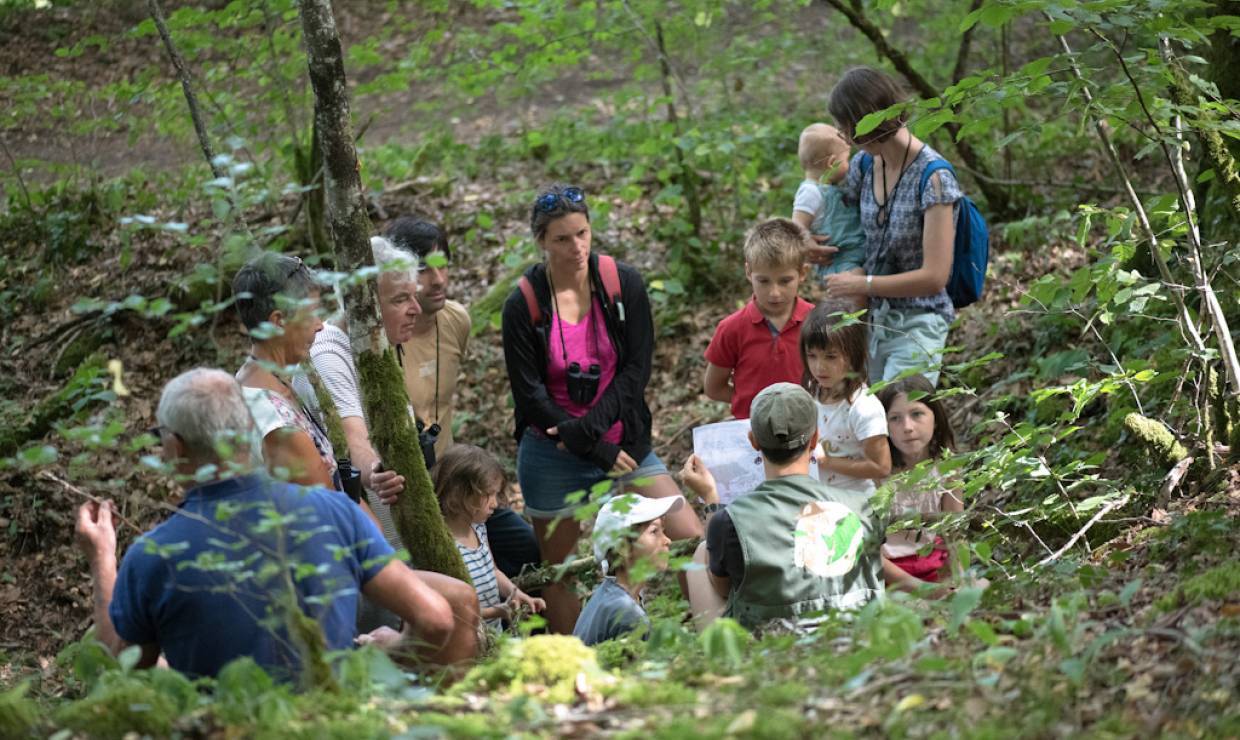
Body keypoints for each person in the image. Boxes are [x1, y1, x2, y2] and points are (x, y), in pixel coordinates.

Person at [73, 368, 478, 680]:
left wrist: (103, 560)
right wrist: (390, 651)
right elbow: (436, 618)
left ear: (175, 447)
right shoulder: (334, 511)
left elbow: (123, 669)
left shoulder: (154, 555)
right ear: (249, 429)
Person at [501, 184, 701, 633]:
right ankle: (577, 662)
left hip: (621, 442)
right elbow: (529, 396)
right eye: (562, 239)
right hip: (552, 453)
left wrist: (595, 437)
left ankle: (712, 634)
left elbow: (636, 367)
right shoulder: (523, 303)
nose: (577, 247)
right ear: (541, 242)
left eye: (583, 233)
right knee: (561, 573)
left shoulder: (620, 282)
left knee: (690, 539)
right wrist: (591, 448)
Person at [387, 217, 541, 580]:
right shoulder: (374, 338)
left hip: (451, 484)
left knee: (527, 549)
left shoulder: (456, 320)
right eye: (424, 269)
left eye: (443, 266)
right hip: (398, 494)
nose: (438, 280)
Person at [681, 383, 883, 631]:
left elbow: (722, 587)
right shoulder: (863, 505)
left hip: (774, 651)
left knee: (702, 554)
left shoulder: (731, 521)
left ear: (753, 441)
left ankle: (720, 664)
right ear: (815, 439)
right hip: (858, 640)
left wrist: (711, 500)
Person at [826, 66, 962, 386]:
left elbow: (934, 276)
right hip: (872, 321)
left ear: (864, 119)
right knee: (874, 424)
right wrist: (810, 239)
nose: (841, 135)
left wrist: (864, 284)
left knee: (900, 417)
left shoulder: (935, 179)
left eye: (844, 125)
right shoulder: (864, 165)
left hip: (920, 321)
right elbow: (845, 227)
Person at [305, 236, 419, 550]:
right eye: (400, 299)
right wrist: (375, 472)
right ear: (362, 304)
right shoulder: (329, 353)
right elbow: (350, 434)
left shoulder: (374, 348)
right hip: (371, 542)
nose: (415, 309)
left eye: (414, 296)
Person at [703, 218, 815, 419]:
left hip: (806, 429)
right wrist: (753, 404)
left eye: (785, 281)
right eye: (763, 281)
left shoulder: (816, 322)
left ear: (802, 273)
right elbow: (713, 388)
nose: (774, 293)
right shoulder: (731, 329)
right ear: (748, 272)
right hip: (750, 431)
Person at [434, 444, 545, 630]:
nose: (495, 503)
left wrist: (514, 593)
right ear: (458, 495)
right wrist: (497, 611)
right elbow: (457, 610)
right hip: (468, 642)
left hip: (494, 634)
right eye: (489, 494)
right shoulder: (444, 545)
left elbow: (493, 571)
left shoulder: (479, 528)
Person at [876, 374, 963, 590]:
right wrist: (920, 590)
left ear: (936, 417)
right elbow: (866, 552)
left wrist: (958, 580)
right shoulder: (876, 473)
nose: (907, 427)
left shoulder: (947, 466)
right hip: (888, 572)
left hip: (933, 562)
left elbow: (955, 533)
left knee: (982, 589)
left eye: (917, 414)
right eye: (895, 418)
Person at [800, 299, 891, 496]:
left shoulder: (864, 408)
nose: (819, 367)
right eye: (812, 356)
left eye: (830, 357)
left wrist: (826, 462)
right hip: (815, 496)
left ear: (853, 355)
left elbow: (881, 466)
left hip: (854, 503)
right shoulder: (811, 390)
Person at [573, 493, 683, 646]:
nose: (667, 540)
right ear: (622, 547)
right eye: (654, 531)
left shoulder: (608, 594)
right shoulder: (627, 613)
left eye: (663, 531)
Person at [792, 123, 866, 279]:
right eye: (846, 159)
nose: (850, 165)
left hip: (854, 254)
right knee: (856, 283)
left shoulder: (831, 187)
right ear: (832, 163)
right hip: (838, 260)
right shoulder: (810, 192)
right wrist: (807, 240)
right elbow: (797, 224)